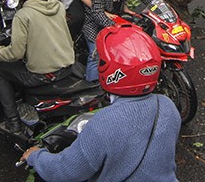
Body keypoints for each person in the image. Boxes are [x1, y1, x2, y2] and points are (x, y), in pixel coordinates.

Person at [21, 26, 181, 182]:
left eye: (102, 61)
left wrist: (35, 156)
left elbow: (64, 171)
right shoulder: (167, 106)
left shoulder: (104, 123)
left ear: (113, 72)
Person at [0, 0, 74, 136]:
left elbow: (15, 54)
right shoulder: (59, 6)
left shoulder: (23, 15)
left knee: (0, 72)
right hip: (67, 68)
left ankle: (13, 122)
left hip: (42, 74)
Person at [82, 0, 158, 82]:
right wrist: (117, 28)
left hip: (117, 16)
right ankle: (91, 85)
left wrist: (160, 7)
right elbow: (97, 12)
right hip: (94, 21)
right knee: (96, 54)